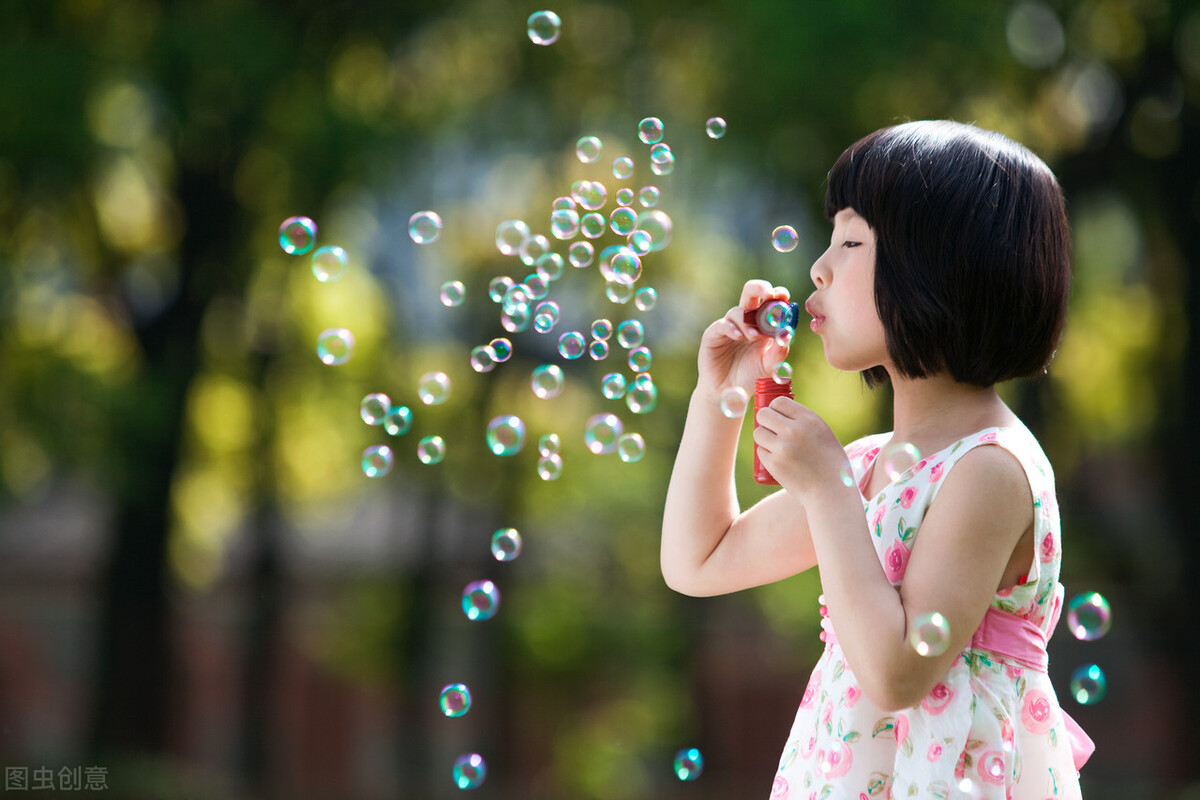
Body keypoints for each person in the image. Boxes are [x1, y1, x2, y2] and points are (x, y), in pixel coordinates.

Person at [660, 120, 1093, 799]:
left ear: (940, 265)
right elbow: (699, 561)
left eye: (852, 241)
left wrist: (829, 488)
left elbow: (897, 673)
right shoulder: (871, 466)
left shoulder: (990, 469)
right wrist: (720, 400)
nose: (817, 267)